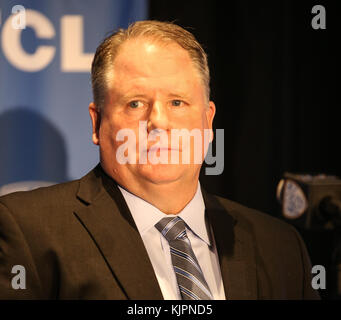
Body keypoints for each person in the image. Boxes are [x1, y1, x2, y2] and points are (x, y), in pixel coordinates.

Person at [0, 20, 319, 300]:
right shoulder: (29, 232)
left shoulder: (280, 248)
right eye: (135, 103)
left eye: (177, 102)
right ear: (97, 123)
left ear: (208, 123)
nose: (159, 122)